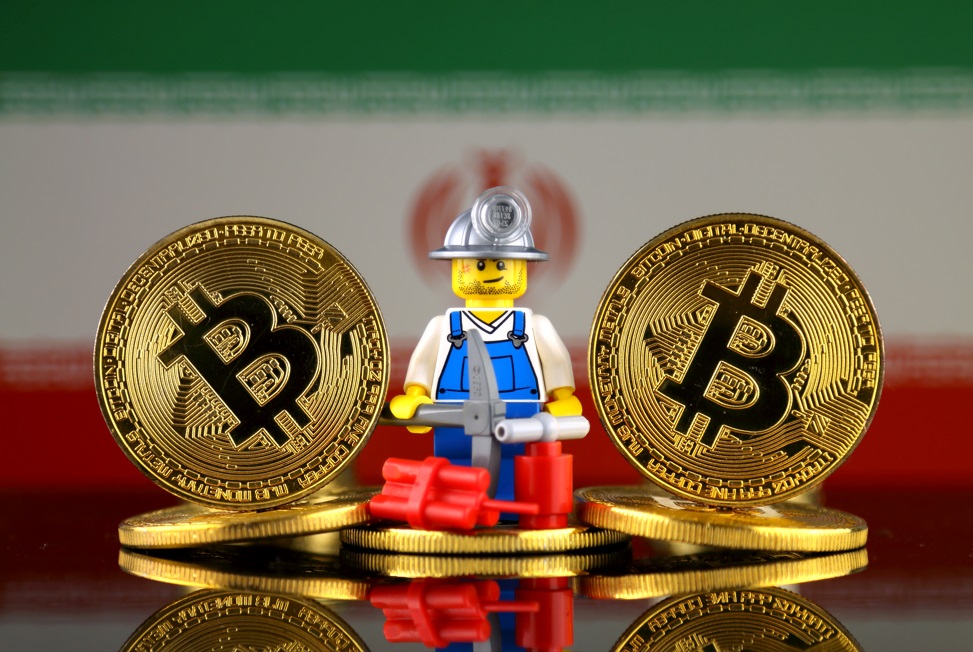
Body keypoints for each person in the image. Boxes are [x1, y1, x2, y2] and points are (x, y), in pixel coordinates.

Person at [389, 187, 582, 507]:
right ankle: (457, 511)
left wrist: (563, 400)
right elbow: (422, 367)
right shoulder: (443, 327)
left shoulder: (534, 326)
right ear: (456, 268)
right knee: (454, 477)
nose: (491, 271)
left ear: (522, 269)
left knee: (519, 479)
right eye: (479, 265)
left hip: (521, 421)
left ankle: (512, 510)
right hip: (453, 418)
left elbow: (557, 366)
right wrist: (415, 398)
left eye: (501, 265)